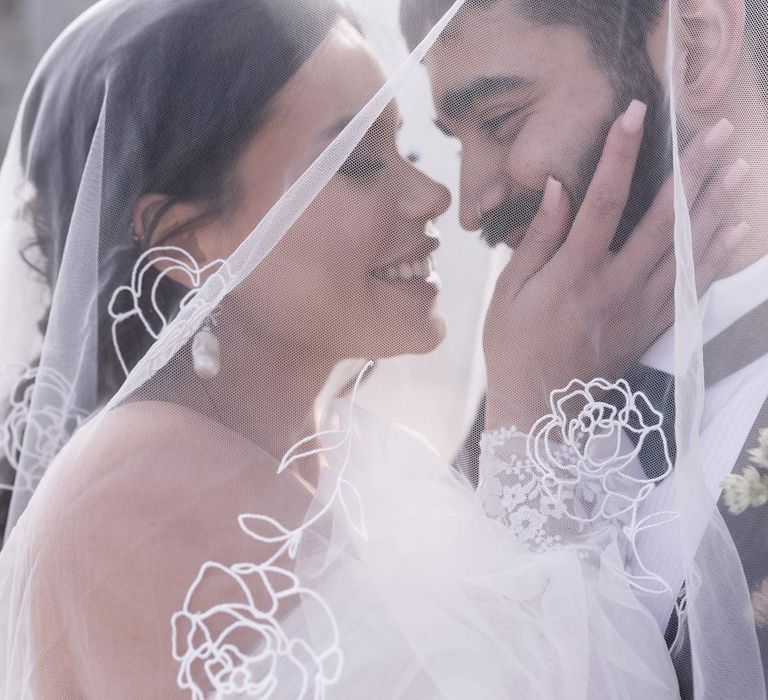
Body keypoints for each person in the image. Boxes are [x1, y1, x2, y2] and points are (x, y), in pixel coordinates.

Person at [0, 0, 757, 697]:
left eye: (406, 151)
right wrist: (534, 423)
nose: (437, 202)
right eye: (358, 165)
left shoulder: (367, 465)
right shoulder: (141, 494)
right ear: (185, 241)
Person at [401, 2, 768, 695]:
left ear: (698, 45)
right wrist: (527, 414)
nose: (470, 204)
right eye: (454, 142)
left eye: (501, 120)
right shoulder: (547, 359)